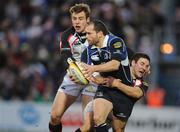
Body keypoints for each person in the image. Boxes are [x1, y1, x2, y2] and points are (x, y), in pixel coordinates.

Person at [49, 3, 97, 132]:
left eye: (80, 18)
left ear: (87, 19)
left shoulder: (97, 32)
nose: (77, 22)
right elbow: (66, 56)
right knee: (54, 116)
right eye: (74, 18)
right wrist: (74, 70)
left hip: (94, 78)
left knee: (89, 125)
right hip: (74, 74)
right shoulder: (66, 35)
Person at [78, 19, 133, 132]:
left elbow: (115, 65)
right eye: (85, 33)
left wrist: (93, 68)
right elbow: (89, 73)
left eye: (89, 33)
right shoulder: (88, 51)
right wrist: (92, 78)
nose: (86, 36)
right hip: (106, 89)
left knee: (118, 129)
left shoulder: (115, 42)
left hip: (123, 89)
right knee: (97, 118)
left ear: (100, 34)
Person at [76, 53, 151, 132]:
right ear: (133, 63)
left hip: (120, 110)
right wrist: (102, 80)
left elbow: (137, 93)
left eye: (147, 66)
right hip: (102, 100)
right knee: (90, 125)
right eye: (142, 64)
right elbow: (98, 75)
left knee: (118, 129)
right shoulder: (118, 68)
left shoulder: (143, 84)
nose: (144, 68)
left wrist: (117, 84)